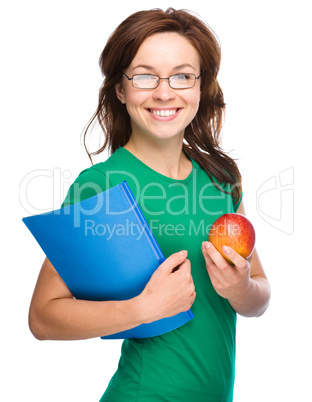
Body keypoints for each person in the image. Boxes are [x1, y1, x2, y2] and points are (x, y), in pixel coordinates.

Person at [28, 8, 271, 402]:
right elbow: (43, 317)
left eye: (182, 75)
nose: (164, 92)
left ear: (200, 86)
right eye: (144, 76)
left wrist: (241, 287)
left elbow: (259, 296)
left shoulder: (221, 177)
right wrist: (143, 309)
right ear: (121, 90)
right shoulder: (101, 187)